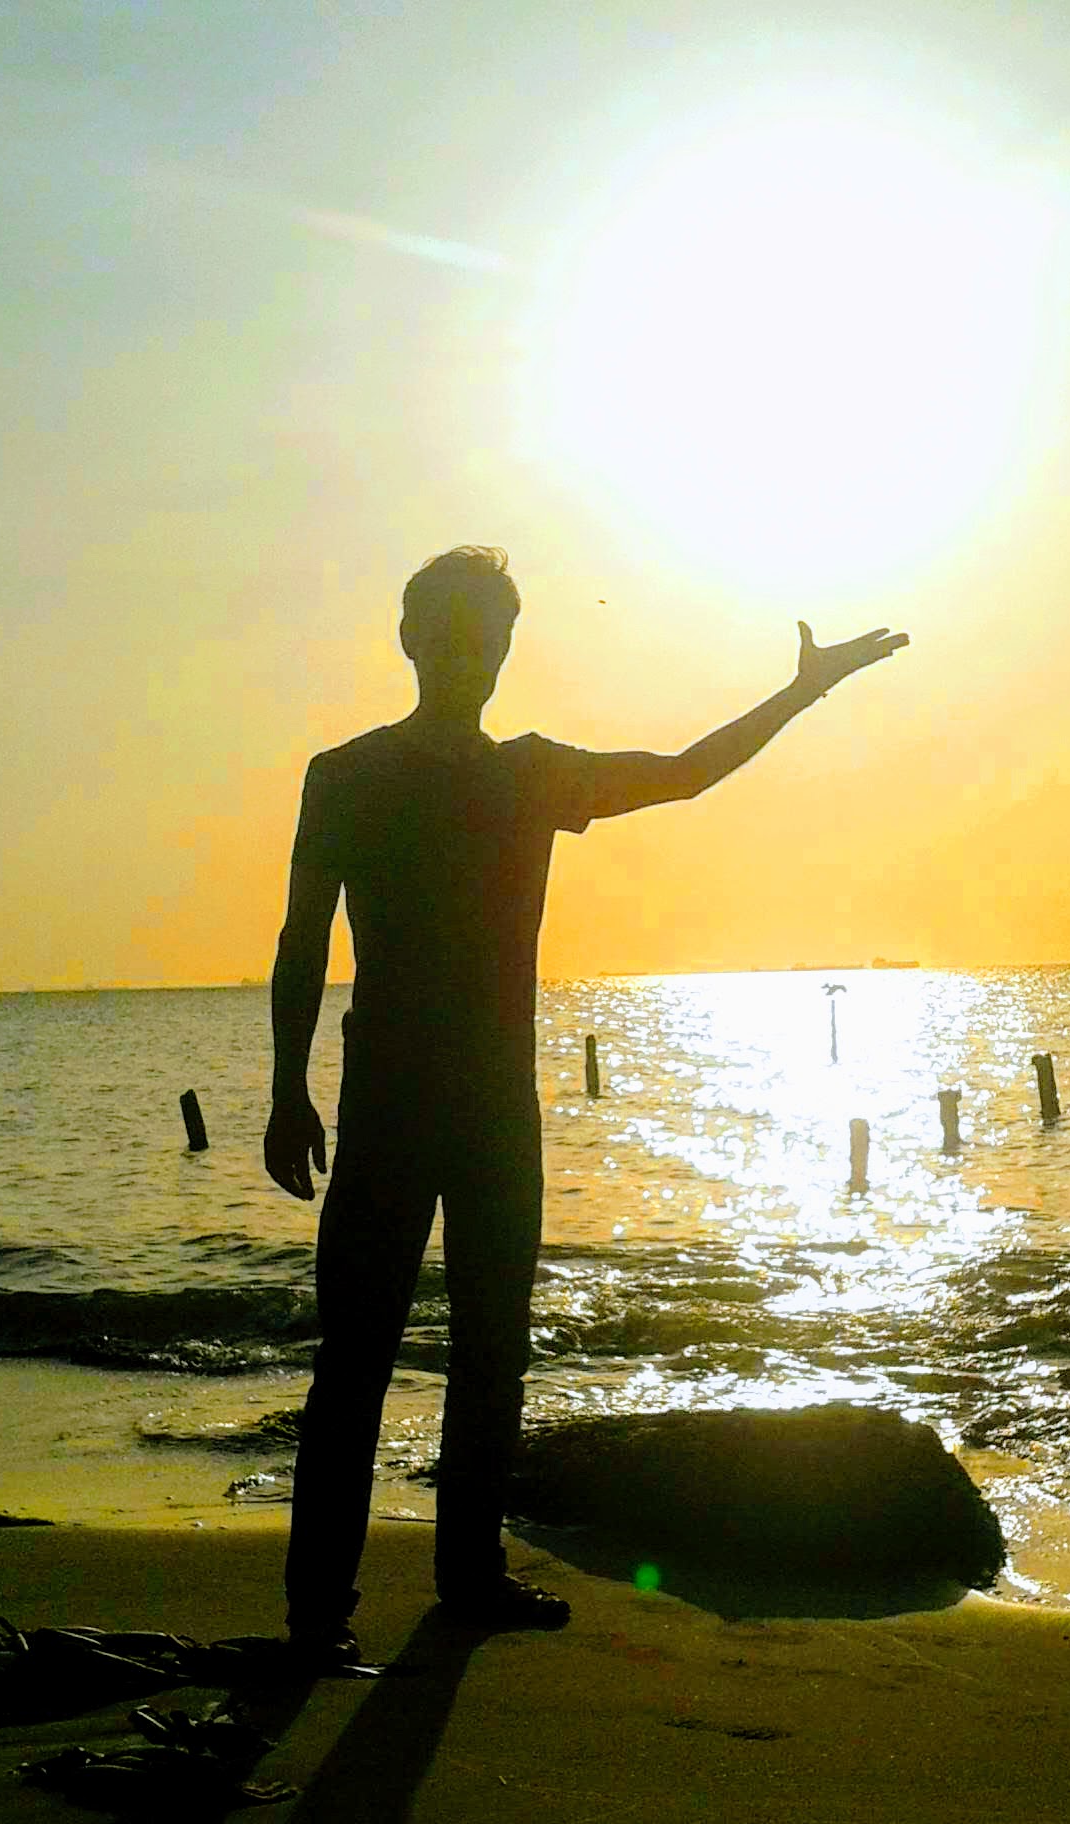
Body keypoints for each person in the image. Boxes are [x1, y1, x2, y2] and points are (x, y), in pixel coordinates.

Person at [263, 545, 907, 1665]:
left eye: (491, 637)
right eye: (453, 634)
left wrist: (803, 691)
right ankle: (318, 1612)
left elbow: (686, 772)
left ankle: (470, 1577)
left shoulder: (532, 774)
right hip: (387, 1100)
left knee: (493, 1349)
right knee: (355, 1360)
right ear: (410, 640)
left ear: (507, 649)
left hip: (495, 1105)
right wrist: (286, 1089)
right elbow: (302, 937)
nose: (473, 655)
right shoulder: (348, 775)